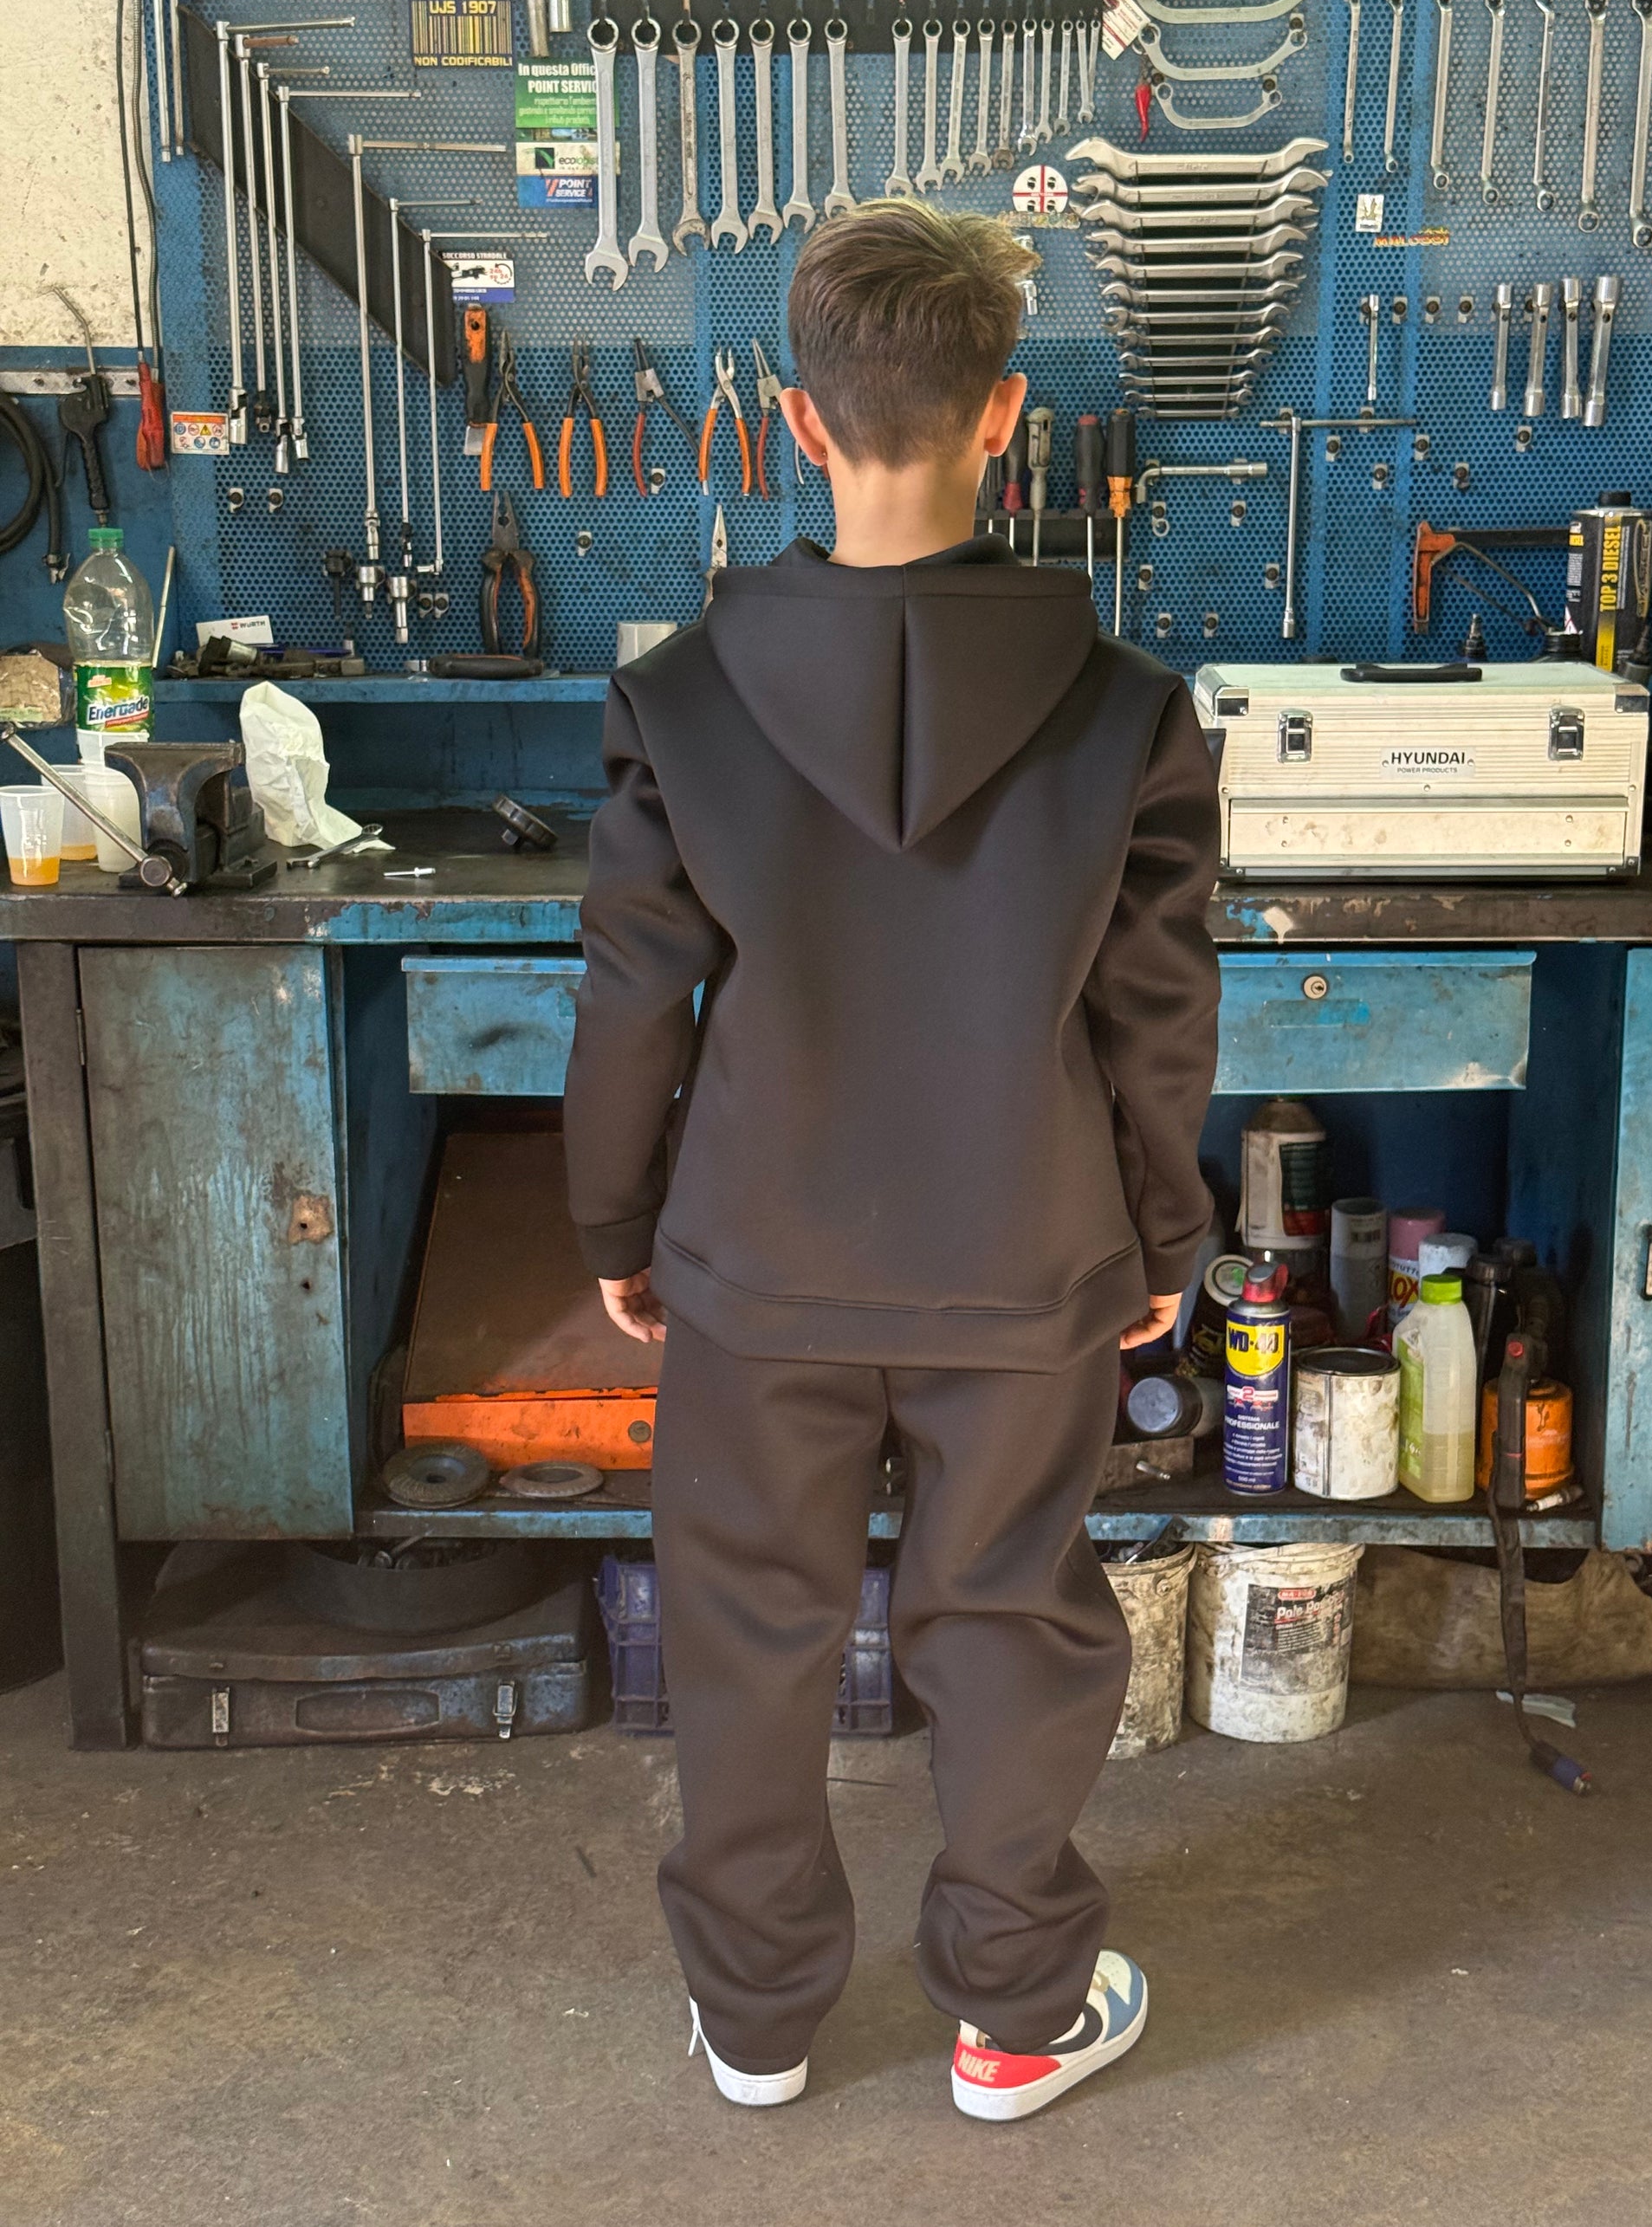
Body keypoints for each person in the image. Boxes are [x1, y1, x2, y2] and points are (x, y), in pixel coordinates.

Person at [563, 202, 1221, 2122]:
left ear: (793, 419)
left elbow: (629, 997)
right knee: (1007, 1618)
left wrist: (616, 1221)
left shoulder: (681, 696)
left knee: (744, 1627)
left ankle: (758, 2021)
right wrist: (1162, 1233)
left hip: (758, 1256)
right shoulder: (1127, 709)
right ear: (1005, 413)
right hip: (1024, 1253)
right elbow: (1154, 1015)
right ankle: (1013, 2015)